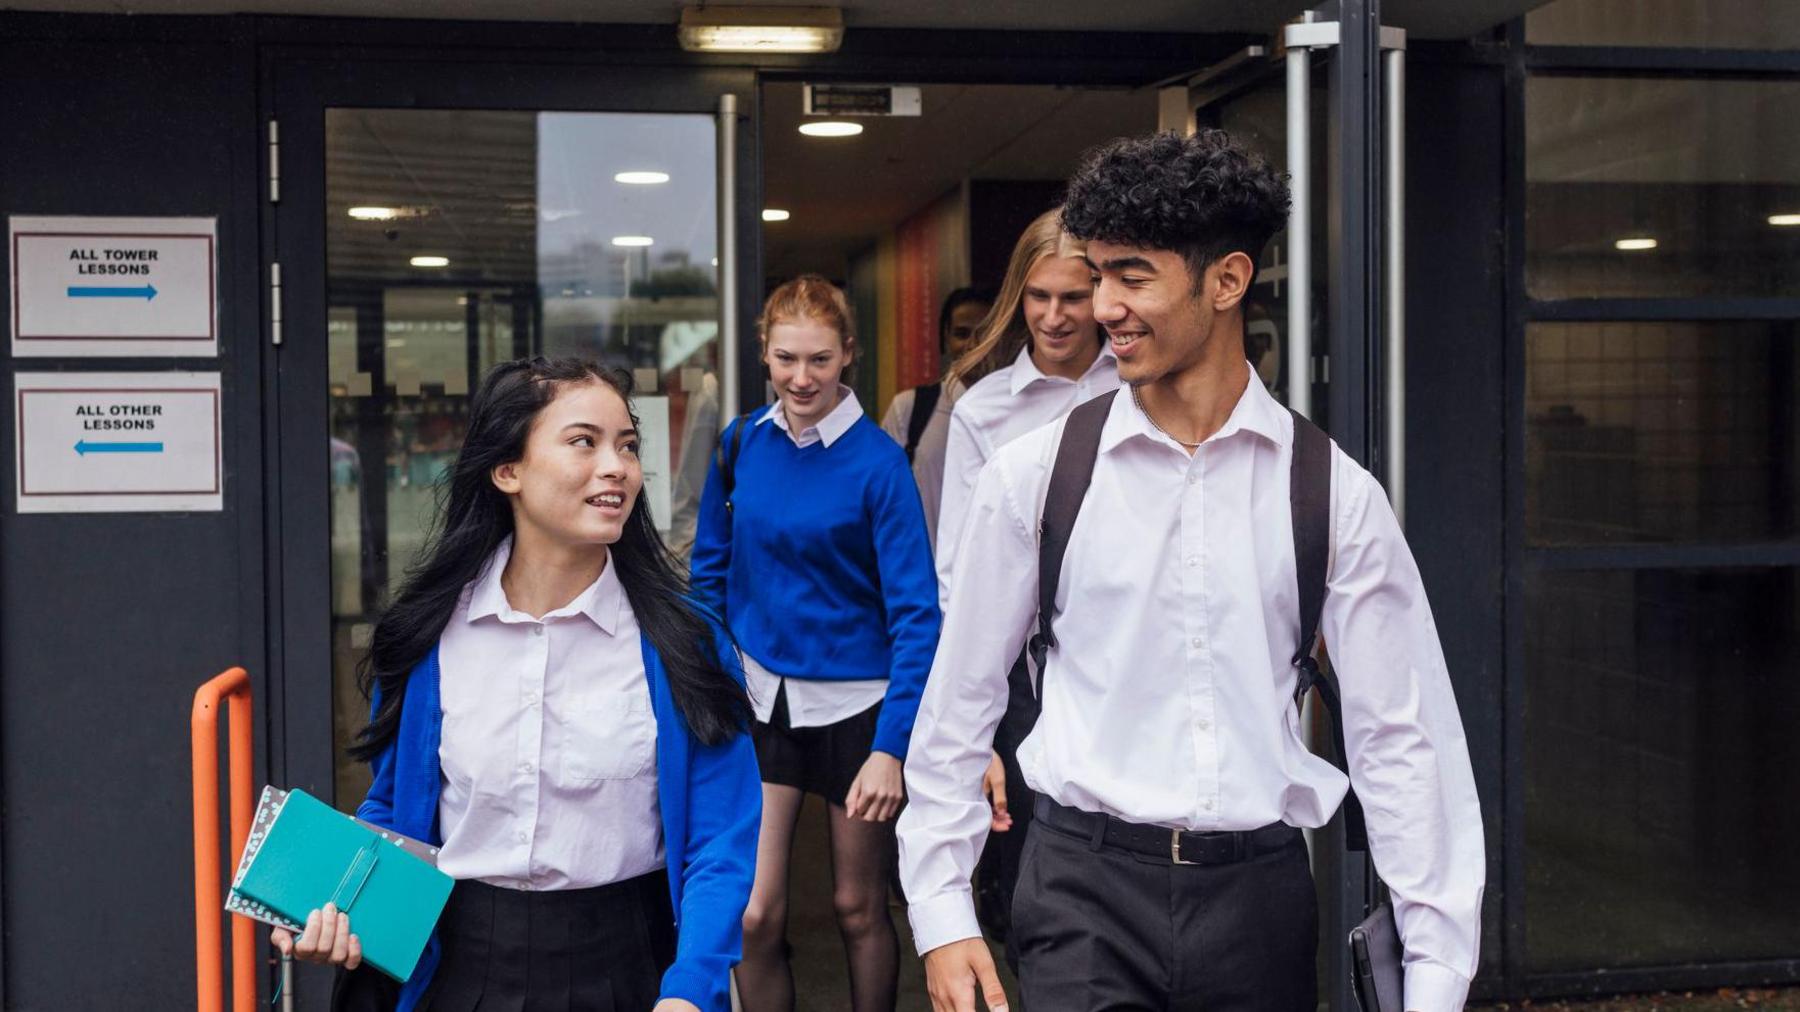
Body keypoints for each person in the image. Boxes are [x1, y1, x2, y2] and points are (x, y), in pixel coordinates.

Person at [898, 130, 1485, 1012]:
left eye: (1132, 276)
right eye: (1097, 276)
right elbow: (959, 699)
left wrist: (1435, 974)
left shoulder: (1333, 494)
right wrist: (942, 910)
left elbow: (1403, 739)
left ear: (1227, 281)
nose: (1103, 306)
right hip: (1079, 896)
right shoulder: (1038, 475)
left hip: (1259, 900)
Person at [274, 357, 762, 1012]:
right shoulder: (429, 635)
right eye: (584, 442)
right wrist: (335, 910)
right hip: (455, 966)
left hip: (632, 971)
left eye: (628, 445)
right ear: (508, 470)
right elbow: (395, 812)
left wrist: (690, 991)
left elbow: (718, 843)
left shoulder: (686, 643)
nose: (617, 466)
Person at [691, 275, 941, 1012]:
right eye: (786, 358)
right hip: (762, 703)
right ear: (765, 356)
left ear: (848, 357)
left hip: (858, 716)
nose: (802, 378)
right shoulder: (740, 445)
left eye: (820, 360)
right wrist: (719, 672)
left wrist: (892, 748)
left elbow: (917, 616)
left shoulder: (878, 464)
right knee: (755, 912)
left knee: (857, 907)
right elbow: (710, 571)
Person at [930, 208, 1119, 953]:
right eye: (1038, 296)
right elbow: (958, 578)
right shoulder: (982, 410)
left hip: (1121, 664)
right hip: (1020, 684)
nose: (1054, 316)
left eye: (1073, 297)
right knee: (1030, 893)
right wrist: (972, 736)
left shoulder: (1143, 388)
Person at [879, 286, 995, 545]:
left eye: (984, 334)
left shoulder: (1018, 410)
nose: (973, 345)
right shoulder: (909, 410)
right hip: (925, 578)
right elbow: (881, 503)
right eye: (961, 334)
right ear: (945, 338)